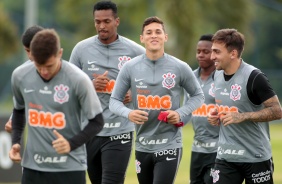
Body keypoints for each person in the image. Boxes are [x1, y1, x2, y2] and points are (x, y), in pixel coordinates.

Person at [109, 16, 204, 184]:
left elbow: (198, 96)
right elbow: (114, 101)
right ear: (142, 38)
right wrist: (128, 113)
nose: (154, 35)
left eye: (158, 32)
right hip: (142, 145)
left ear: (165, 37)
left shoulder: (180, 67)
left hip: (169, 144)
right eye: (149, 32)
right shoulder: (130, 67)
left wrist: (179, 113)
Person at [9, 29, 104, 184]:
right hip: (33, 168)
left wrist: (70, 144)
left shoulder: (78, 79)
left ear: (60, 53)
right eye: (39, 66)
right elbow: (19, 111)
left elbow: (97, 122)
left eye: (49, 65)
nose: (44, 71)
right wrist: (15, 142)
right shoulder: (20, 76)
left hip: (70, 169)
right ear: (32, 56)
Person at [69, 1, 145, 183]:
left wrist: (135, 94)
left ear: (117, 21)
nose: (101, 26)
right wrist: (90, 85)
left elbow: (155, 84)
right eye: (98, 22)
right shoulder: (81, 50)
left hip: (120, 130)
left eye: (107, 21)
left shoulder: (135, 51)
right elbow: (66, 88)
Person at [207, 28, 282, 184]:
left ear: (233, 54)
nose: (212, 56)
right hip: (225, 156)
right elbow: (229, 104)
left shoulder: (255, 77)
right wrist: (217, 114)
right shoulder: (217, 74)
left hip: (255, 157)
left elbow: (277, 111)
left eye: (216, 52)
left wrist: (243, 116)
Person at [184, 34, 219, 184]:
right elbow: (186, 111)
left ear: (214, 53)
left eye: (206, 51)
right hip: (197, 148)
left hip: (218, 150)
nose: (201, 55)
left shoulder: (223, 78)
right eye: (198, 51)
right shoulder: (190, 77)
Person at [5, 25, 44, 133]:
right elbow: (20, 106)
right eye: (27, 50)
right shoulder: (21, 74)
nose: (31, 56)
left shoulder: (67, 72)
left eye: (34, 50)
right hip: (36, 143)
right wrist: (13, 120)